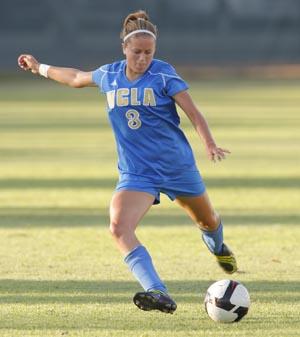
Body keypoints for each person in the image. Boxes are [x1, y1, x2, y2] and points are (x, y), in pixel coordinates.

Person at [18, 10, 237, 315]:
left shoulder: (163, 75)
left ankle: (218, 248)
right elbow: (76, 78)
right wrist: (38, 66)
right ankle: (157, 291)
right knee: (119, 227)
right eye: (137, 52)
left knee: (208, 222)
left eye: (149, 52)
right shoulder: (110, 75)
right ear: (124, 47)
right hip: (137, 173)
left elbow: (193, 112)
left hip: (177, 167)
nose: (143, 58)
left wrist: (209, 143)